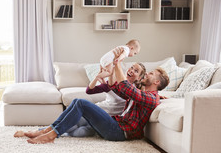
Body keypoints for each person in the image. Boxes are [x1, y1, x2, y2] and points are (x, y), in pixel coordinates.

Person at [18, 50, 169, 144]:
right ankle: (48, 131)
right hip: (116, 125)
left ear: (156, 82)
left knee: (81, 104)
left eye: (151, 74)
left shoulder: (150, 97)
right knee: (78, 102)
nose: (147, 74)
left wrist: (117, 62)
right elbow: (125, 89)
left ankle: (51, 134)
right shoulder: (148, 95)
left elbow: (128, 89)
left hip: (119, 132)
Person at [65, 62, 146, 137]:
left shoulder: (135, 92)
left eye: (136, 71)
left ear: (139, 78)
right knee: (73, 122)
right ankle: (59, 129)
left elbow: (146, 97)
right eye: (131, 67)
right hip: (96, 110)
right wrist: (97, 77)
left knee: (83, 132)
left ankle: (65, 134)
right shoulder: (114, 82)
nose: (131, 71)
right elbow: (89, 91)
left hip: (105, 120)